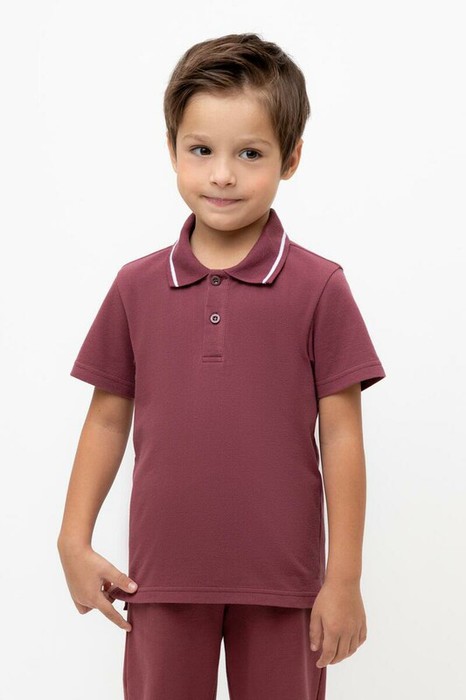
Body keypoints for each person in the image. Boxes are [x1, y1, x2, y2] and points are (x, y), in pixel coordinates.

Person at [57, 32, 386, 700]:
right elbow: (107, 419)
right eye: (201, 150)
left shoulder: (320, 287)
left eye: (250, 153)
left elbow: (342, 436)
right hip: (160, 579)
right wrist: (73, 539)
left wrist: (344, 578)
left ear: (291, 158)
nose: (223, 175)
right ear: (172, 149)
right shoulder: (135, 287)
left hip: (285, 584)